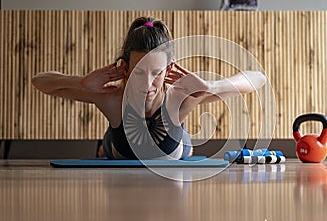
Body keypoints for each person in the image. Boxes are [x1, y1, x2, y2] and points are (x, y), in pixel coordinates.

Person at [32, 16, 267, 160]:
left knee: (183, 145)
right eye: (139, 72)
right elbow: (39, 81)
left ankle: (183, 147)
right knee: (111, 147)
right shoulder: (112, 100)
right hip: (117, 148)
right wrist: (80, 82)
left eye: (156, 73)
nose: (147, 84)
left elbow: (258, 78)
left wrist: (211, 85)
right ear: (124, 68)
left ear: (169, 70)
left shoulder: (182, 98)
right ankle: (105, 148)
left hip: (177, 148)